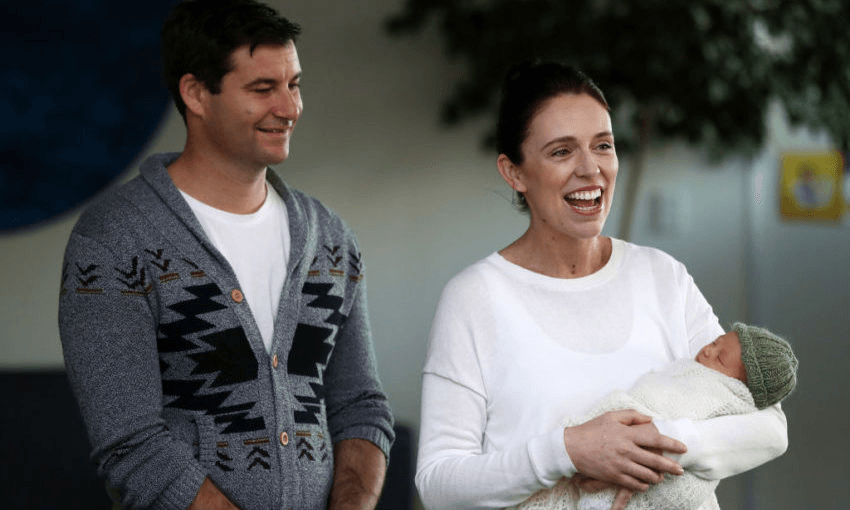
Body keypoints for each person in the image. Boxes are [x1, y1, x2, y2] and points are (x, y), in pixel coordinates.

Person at [58, 1, 394, 509]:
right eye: (263, 89)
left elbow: (360, 406)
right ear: (196, 93)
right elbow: (132, 445)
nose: (290, 108)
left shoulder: (330, 239)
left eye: (294, 84)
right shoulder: (114, 241)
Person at [414, 61, 789, 510]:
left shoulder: (662, 277)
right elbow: (437, 483)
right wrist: (567, 451)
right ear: (514, 173)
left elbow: (769, 428)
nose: (591, 169)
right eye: (561, 151)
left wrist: (656, 442)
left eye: (604, 145)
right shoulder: (474, 297)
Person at [513, 323, 798, 510]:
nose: (708, 350)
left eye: (720, 358)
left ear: (740, 385)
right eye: (715, 341)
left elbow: (775, 431)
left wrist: (648, 447)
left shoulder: (720, 395)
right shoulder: (706, 360)